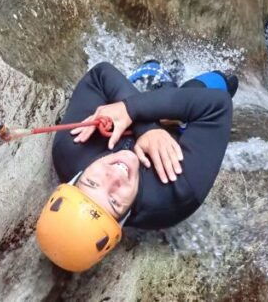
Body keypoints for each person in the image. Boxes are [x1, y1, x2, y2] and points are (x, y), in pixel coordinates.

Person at [35, 60, 238, 272]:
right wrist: (141, 114)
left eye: (92, 183)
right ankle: (167, 94)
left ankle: (156, 87)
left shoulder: (71, 148)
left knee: (150, 75)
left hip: (135, 112)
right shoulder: (178, 194)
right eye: (114, 202)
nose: (115, 177)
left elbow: (100, 75)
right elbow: (218, 105)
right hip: (179, 131)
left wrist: (139, 119)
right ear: (122, 220)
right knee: (221, 82)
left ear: (75, 180)